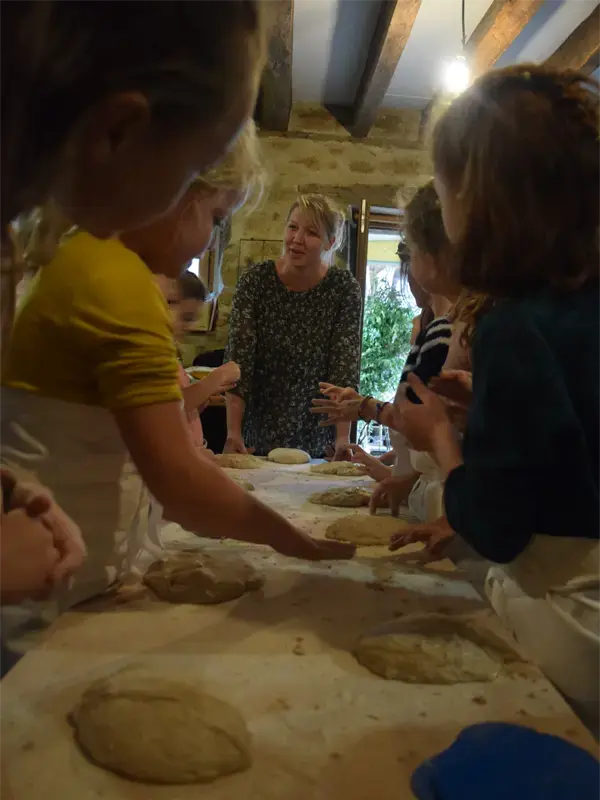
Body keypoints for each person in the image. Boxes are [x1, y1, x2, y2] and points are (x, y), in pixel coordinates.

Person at [0, 0, 266, 608]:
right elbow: (180, 482)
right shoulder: (105, 270)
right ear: (120, 132)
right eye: (192, 169)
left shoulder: (35, 250)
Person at [390, 64, 600, 728]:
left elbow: (500, 527)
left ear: (478, 202)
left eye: (445, 190)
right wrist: (491, 408)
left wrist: (445, 443)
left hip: (572, 623)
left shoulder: (514, 325)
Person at [313, 181, 463, 523]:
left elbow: (425, 426)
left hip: (456, 507)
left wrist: (365, 407)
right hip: (448, 501)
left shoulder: (449, 330)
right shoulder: (441, 326)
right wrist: (395, 472)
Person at [224, 193, 362, 459]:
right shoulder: (255, 283)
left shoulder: (343, 289)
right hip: (257, 433)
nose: (297, 239)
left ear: (329, 242)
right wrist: (233, 433)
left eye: (311, 232)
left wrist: (342, 439)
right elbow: (238, 362)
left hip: (318, 437)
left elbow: (343, 370)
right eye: (292, 227)